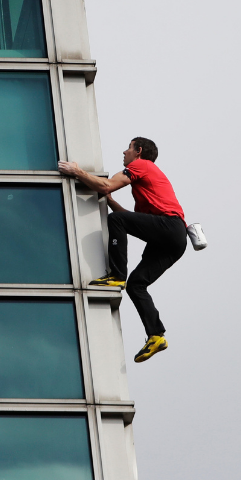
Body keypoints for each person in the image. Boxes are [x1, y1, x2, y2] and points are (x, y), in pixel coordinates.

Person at [58, 137, 187, 363]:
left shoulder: (141, 165)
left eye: (128, 147)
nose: (124, 152)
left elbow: (108, 187)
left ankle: (117, 275)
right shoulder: (145, 187)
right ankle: (156, 335)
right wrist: (108, 199)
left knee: (116, 220)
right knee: (137, 284)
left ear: (138, 151)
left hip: (170, 227)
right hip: (174, 240)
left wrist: (77, 172)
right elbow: (128, 215)